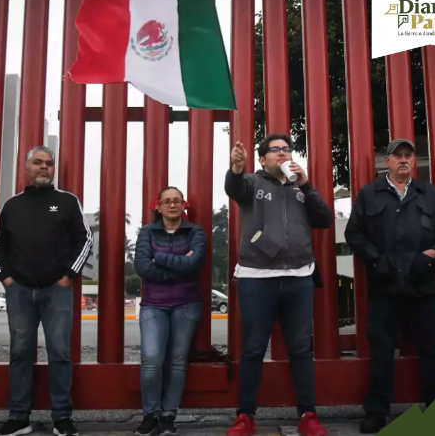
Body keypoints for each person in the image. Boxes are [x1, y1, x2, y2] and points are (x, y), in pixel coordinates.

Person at [344, 139, 435, 433]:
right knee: (381, 350)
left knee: (431, 348)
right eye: (398, 156)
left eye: (409, 156)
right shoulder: (370, 194)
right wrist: (376, 261)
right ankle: (376, 412)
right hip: (385, 285)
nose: (404, 160)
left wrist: (432, 254)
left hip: (424, 284)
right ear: (388, 161)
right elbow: (354, 233)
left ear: (414, 161)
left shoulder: (429, 193)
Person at [224, 135, 332, 436]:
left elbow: (323, 219)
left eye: (287, 149)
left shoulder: (300, 187)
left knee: (300, 349)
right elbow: (233, 188)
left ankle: (308, 415)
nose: (282, 154)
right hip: (257, 277)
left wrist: (306, 185)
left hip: (299, 277)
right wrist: (235, 168)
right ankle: (245, 416)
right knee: (253, 349)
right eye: (275, 150)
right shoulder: (250, 184)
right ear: (262, 159)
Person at [0, 146, 92, 436]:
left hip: (56, 291)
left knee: (60, 353)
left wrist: (69, 275)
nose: (44, 167)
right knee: (20, 352)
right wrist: (6, 278)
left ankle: (62, 418)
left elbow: (84, 240)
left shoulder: (67, 201)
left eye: (49, 163)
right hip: (19, 290)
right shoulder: (13, 205)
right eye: (38, 163)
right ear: (26, 168)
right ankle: (19, 417)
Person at [132, 187, 208, 436]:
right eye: (167, 201)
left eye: (177, 200)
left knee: (177, 362)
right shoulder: (147, 231)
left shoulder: (195, 231)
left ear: (183, 205)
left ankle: (168, 415)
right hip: (154, 305)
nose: (172, 205)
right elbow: (143, 267)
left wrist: (159, 257)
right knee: (151, 359)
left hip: (187, 303)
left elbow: (195, 263)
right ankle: (150, 414)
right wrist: (179, 264)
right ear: (159, 206)